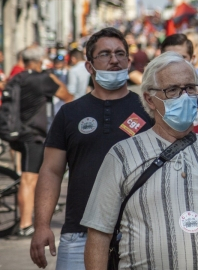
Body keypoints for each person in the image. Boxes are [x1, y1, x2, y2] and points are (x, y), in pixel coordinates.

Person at [81, 52, 198, 270]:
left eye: (190, 88)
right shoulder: (122, 155)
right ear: (149, 99)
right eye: (172, 90)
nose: (184, 97)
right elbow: (99, 233)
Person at [30, 28, 153, 269]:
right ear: (89, 66)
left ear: (129, 62)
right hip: (79, 235)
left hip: (138, 234)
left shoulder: (148, 110)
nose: (114, 60)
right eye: (105, 54)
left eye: (120, 54)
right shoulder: (69, 113)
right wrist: (42, 225)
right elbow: (51, 171)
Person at [8, 46, 73, 237]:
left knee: (30, 178)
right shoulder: (41, 79)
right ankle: (25, 224)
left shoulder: (19, 77)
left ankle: (26, 219)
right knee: (29, 179)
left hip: (18, 132)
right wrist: (51, 76)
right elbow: (66, 95)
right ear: (39, 61)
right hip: (33, 135)